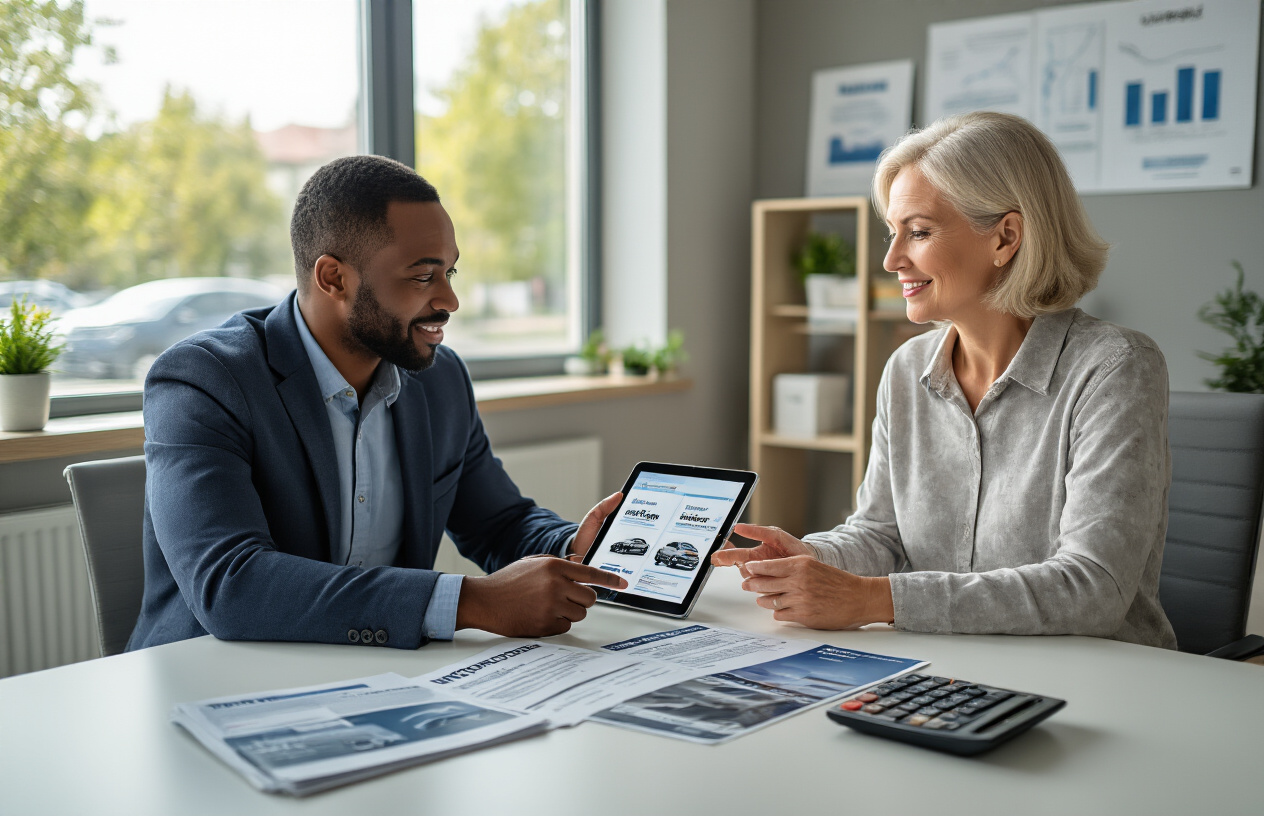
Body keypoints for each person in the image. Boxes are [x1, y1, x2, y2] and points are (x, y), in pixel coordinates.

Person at [714, 111, 1177, 649]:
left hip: (1104, 678)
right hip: (950, 662)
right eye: (893, 233)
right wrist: (809, 556)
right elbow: (881, 536)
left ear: (1005, 238)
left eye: (919, 232)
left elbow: (1095, 587)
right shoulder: (907, 369)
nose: (891, 259)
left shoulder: (1115, 368)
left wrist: (872, 600)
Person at [128, 155, 627, 651]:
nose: (450, 300)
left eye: (450, 273)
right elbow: (232, 584)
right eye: (422, 276)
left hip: (380, 677)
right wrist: (472, 602)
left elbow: (498, 523)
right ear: (334, 278)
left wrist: (574, 547)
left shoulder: (441, 379)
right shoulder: (205, 379)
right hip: (210, 680)